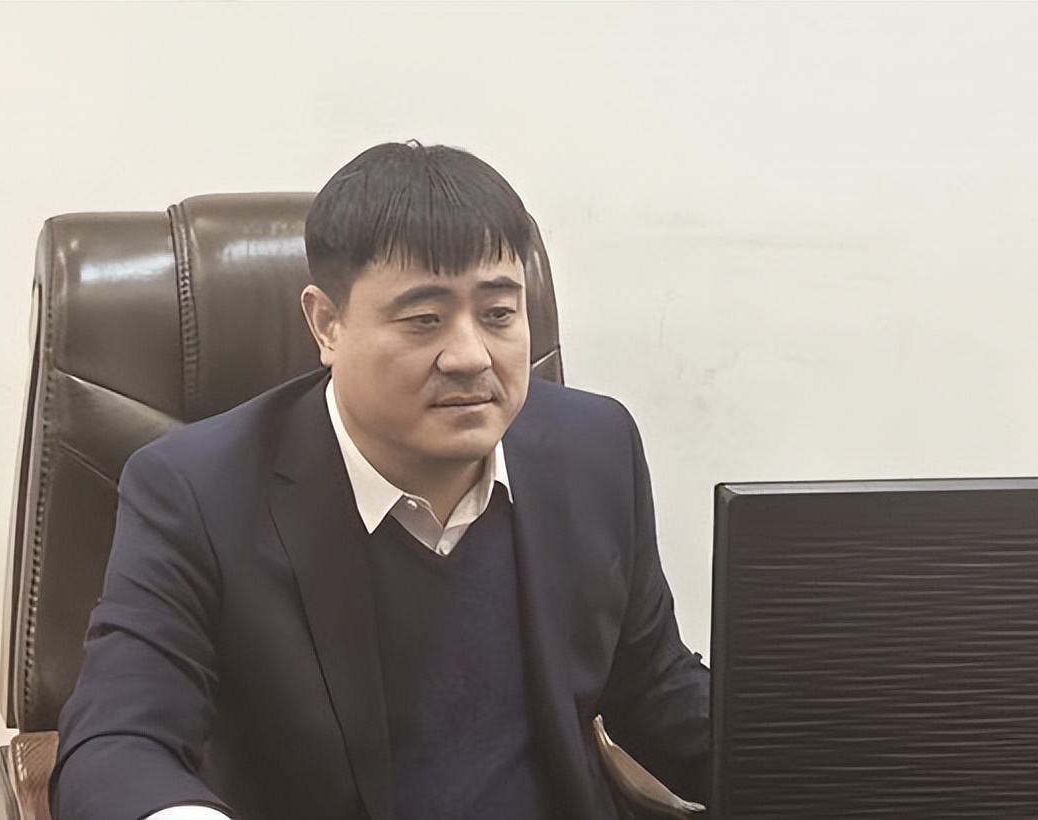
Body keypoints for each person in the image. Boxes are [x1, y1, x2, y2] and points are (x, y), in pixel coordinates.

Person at [50, 142, 710, 820]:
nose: (470, 356)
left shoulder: (594, 449)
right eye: (424, 319)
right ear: (326, 324)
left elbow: (655, 692)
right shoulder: (195, 492)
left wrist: (786, 745)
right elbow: (118, 743)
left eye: (498, 314)